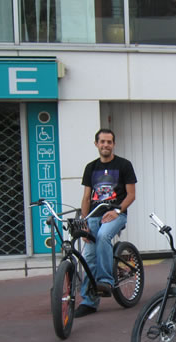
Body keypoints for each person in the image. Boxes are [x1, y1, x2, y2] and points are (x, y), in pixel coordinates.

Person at [74, 128, 137, 318]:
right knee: (89, 256)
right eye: (102, 142)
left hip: (117, 215)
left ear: (114, 144)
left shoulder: (124, 165)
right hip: (93, 216)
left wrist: (117, 210)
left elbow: (131, 195)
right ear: (96, 144)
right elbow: (86, 198)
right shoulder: (90, 168)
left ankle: (105, 281)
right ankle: (89, 301)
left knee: (102, 236)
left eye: (109, 142)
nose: (106, 145)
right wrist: (83, 222)